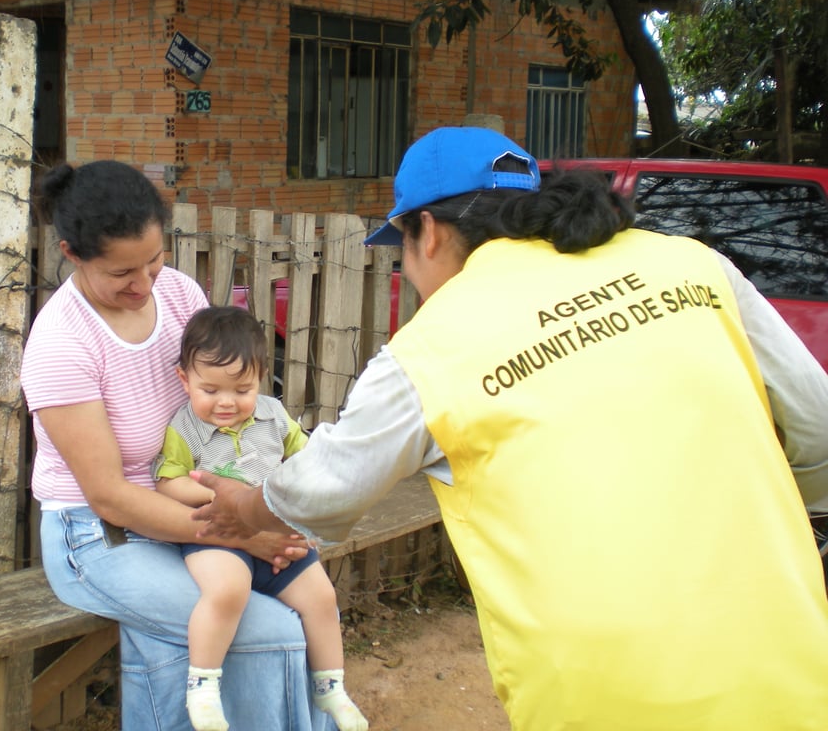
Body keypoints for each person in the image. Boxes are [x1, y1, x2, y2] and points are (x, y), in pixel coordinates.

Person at [191, 127, 828, 730]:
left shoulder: (435, 347)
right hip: (788, 652)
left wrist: (244, 506)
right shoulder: (694, 267)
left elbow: (326, 487)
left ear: (429, 232)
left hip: (607, 690)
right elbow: (819, 427)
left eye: (403, 250)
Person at [20, 159, 339, 731]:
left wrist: (260, 515)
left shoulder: (179, 292)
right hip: (100, 537)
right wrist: (247, 533)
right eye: (122, 273)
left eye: (153, 259)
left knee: (254, 617)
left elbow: (221, 411)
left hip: (189, 507)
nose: (144, 285)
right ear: (71, 253)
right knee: (271, 632)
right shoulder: (60, 343)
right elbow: (110, 498)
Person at [154, 305, 367, 731]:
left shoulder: (273, 415)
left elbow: (304, 456)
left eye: (242, 389)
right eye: (210, 391)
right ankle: (203, 685)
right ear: (185, 380)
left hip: (273, 533)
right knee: (228, 591)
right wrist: (225, 498)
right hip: (215, 535)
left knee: (322, 598)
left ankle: (330, 686)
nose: (227, 402)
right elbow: (168, 482)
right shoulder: (184, 428)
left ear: (261, 378)